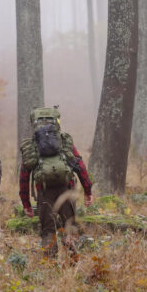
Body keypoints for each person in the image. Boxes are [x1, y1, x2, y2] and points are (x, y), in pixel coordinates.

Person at [18, 109, 93, 256]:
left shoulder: (32, 146)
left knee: (48, 230)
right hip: (67, 188)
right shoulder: (64, 141)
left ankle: (50, 266)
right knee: (70, 226)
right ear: (57, 122)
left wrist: (26, 203)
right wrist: (88, 191)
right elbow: (80, 166)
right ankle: (73, 262)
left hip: (44, 191)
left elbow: (24, 176)